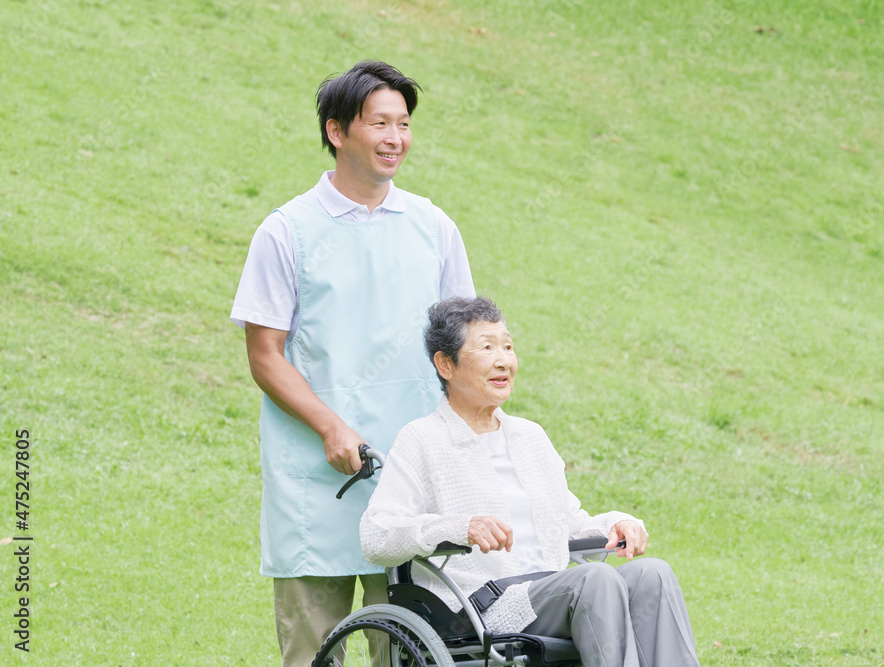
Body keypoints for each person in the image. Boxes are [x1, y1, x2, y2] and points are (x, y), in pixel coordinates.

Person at [230, 61, 475, 666]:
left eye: (404, 123)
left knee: (413, 650)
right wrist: (330, 426)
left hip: (413, 470)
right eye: (380, 123)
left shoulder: (434, 228)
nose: (396, 138)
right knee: (314, 650)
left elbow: (462, 347)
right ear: (338, 132)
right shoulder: (286, 231)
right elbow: (265, 355)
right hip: (320, 478)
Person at [360, 297, 700, 667]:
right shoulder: (422, 439)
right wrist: (461, 527)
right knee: (595, 579)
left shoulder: (529, 436)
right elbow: (377, 536)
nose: (504, 359)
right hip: (482, 607)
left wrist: (614, 523)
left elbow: (566, 522)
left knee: (652, 574)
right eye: (487, 347)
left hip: (552, 593)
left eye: (507, 346)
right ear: (446, 364)